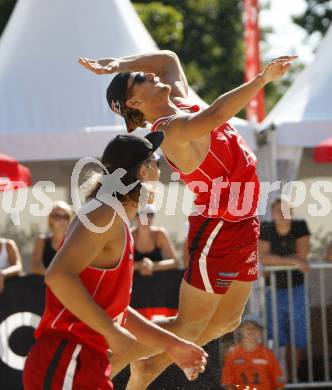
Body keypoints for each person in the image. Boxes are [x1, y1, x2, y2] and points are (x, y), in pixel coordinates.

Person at [79, 50, 295, 388]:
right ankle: (107, 363)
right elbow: (220, 112)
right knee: (189, 326)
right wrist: (263, 80)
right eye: (141, 79)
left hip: (244, 221)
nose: (151, 75)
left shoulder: (180, 103)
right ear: (135, 101)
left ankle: (149, 366)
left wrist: (119, 65)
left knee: (227, 321)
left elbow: (166, 59)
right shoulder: (172, 129)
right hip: (218, 229)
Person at [23, 132, 207, 390]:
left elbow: (115, 310)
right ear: (142, 172)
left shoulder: (112, 215)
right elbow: (57, 276)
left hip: (80, 360)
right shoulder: (105, 213)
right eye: (155, 162)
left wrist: (171, 345)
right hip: (67, 358)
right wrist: (113, 333)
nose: (160, 169)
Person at [259, 198, 310, 378]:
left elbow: (302, 256)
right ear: (272, 214)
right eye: (278, 211)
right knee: (276, 337)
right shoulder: (266, 228)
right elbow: (263, 258)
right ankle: (278, 378)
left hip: (297, 288)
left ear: (292, 213)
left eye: (286, 210)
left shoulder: (300, 226)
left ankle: (293, 379)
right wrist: (292, 260)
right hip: (273, 290)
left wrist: (280, 261)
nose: (282, 214)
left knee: (298, 337)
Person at [221, 314, 285, 390]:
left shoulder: (268, 354)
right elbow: (228, 384)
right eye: (248, 327)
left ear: (260, 332)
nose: (251, 330)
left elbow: (278, 383)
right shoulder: (232, 354)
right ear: (241, 330)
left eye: (255, 328)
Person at [31, 201, 72, 275]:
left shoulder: (74, 242)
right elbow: (35, 267)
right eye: (57, 216)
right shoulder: (42, 241)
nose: (62, 220)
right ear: (50, 219)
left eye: (66, 217)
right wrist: (54, 276)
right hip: (45, 285)